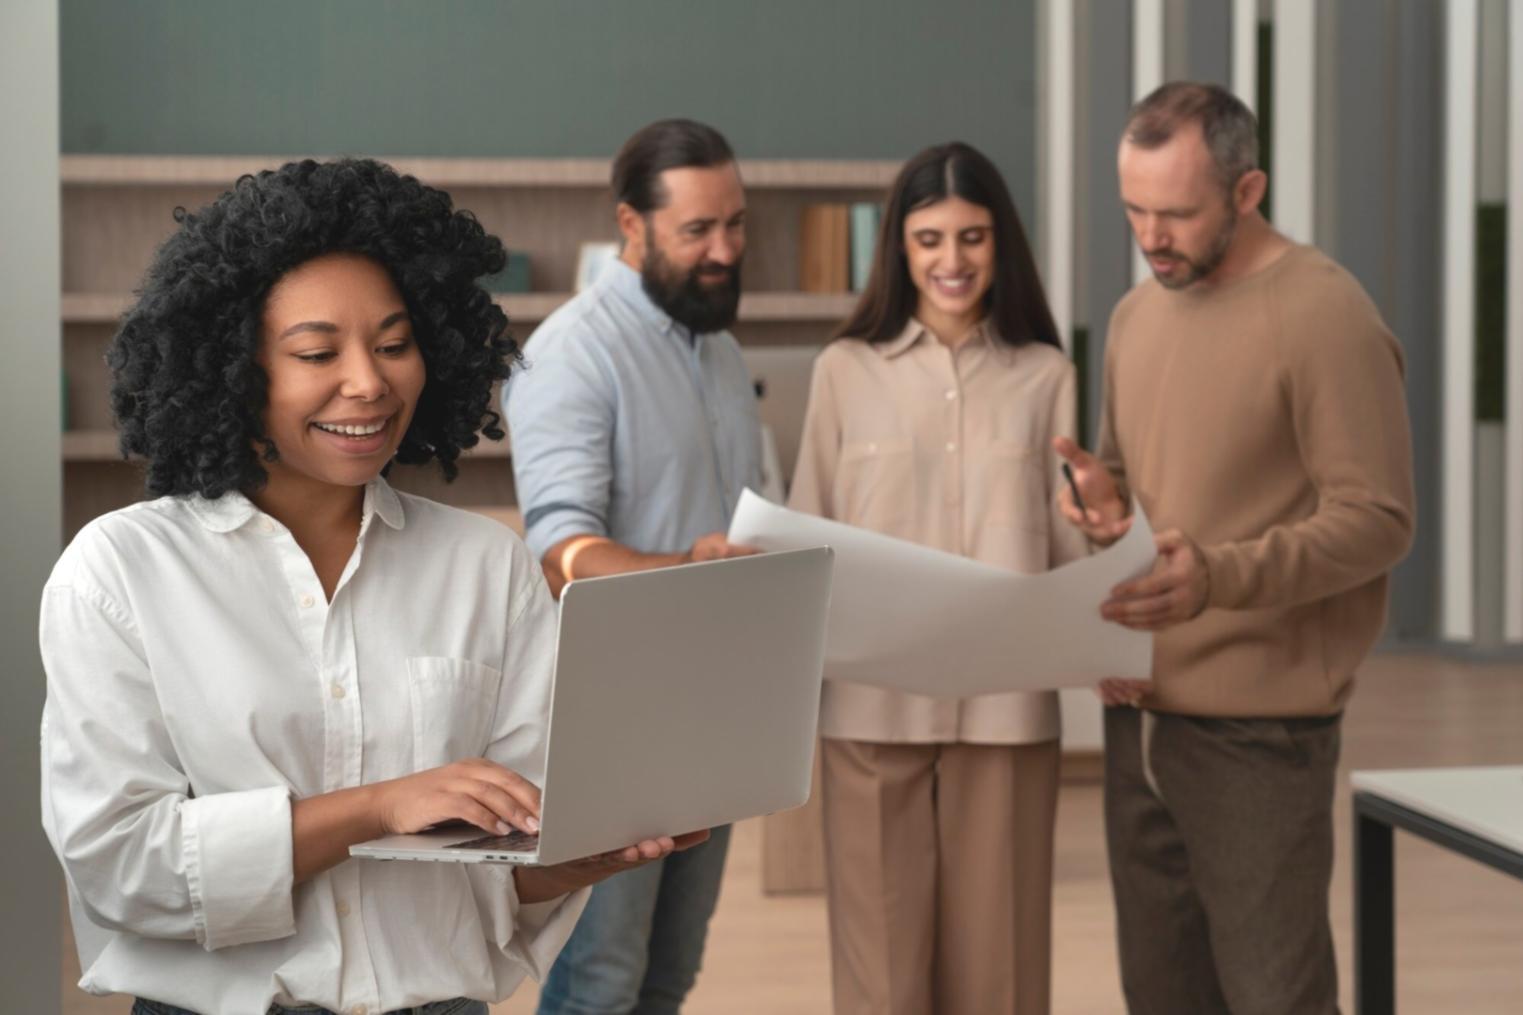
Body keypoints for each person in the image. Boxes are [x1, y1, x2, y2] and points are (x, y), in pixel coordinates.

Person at [39, 158, 705, 1015]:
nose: (370, 381)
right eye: (318, 351)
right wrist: (376, 808)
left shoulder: (485, 567)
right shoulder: (121, 572)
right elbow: (120, 868)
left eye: (394, 344)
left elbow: (497, 883)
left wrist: (586, 854)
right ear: (232, 369)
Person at [1055, 82, 1415, 1014]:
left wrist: (1216, 576)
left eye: (1176, 213)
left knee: (1274, 998)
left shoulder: (1324, 314)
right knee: (1162, 997)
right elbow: (1138, 486)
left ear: (1247, 190)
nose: (1151, 235)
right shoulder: (1137, 318)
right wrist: (1105, 512)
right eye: (1133, 209)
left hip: (1260, 736)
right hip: (1137, 717)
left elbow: (1378, 517)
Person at [788, 141, 1086, 1015]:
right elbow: (806, 538)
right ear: (899, 249)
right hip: (869, 703)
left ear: (1002, 244)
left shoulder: (1046, 375)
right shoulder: (842, 372)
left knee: (1002, 970)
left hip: (1004, 707)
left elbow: (1071, 553)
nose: (950, 261)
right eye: (928, 240)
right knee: (880, 971)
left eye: (971, 237)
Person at [504, 119, 761, 1015]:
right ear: (631, 224)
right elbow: (562, 551)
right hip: (613, 719)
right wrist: (685, 567)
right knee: (600, 976)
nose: (724, 250)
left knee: (668, 973)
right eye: (698, 230)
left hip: (714, 708)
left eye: (735, 224)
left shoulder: (719, 348)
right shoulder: (571, 353)